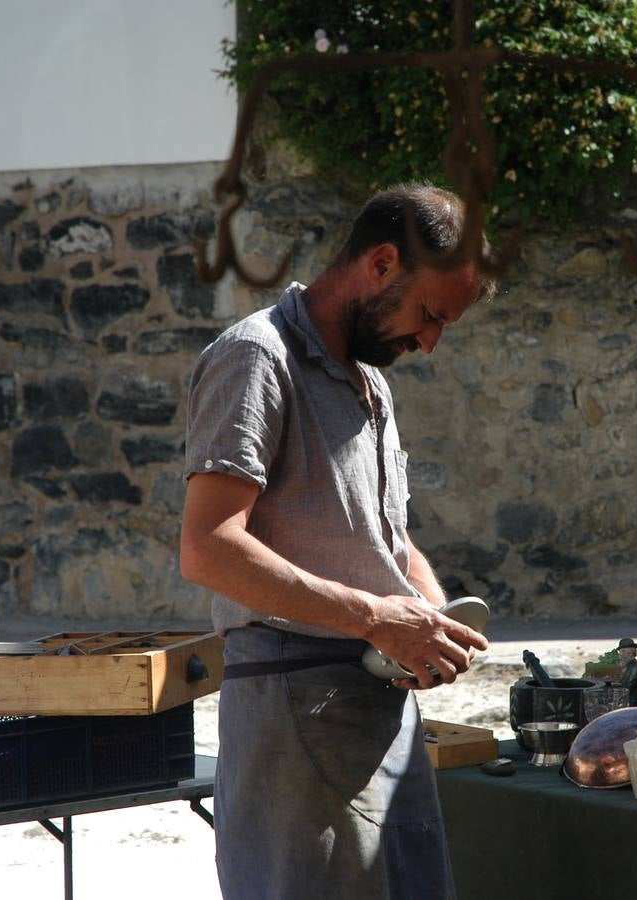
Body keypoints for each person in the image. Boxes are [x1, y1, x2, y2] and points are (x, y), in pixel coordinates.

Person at [179, 183, 495, 899]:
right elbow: (208, 547)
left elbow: (382, 536)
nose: (429, 341)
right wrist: (377, 618)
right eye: (429, 315)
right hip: (294, 706)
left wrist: (432, 616)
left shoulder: (369, 382)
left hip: (378, 698)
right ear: (381, 263)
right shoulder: (255, 359)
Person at [616, 637, 637, 705]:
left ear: (632, 654)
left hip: (629, 701)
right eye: (621, 652)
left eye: (626, 653)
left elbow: (627, 688)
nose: (621, 656)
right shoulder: (623, 665)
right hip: (620, 697)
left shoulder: (635, 669)